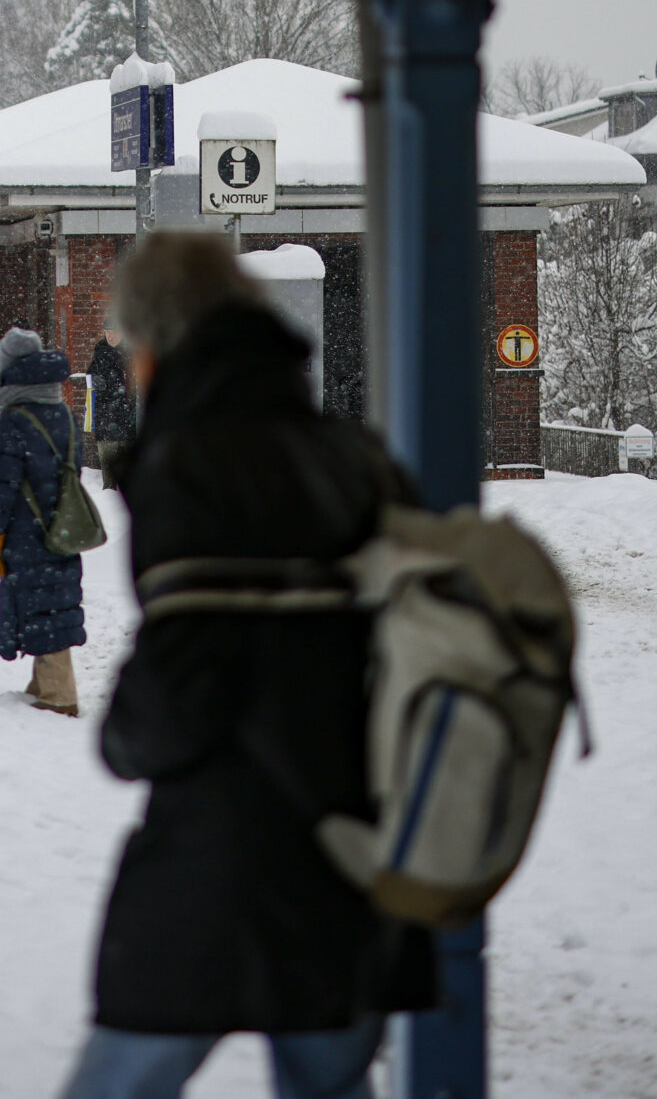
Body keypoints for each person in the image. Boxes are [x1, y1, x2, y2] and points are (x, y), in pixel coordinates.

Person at [58, 230, 434, 1099]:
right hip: (355, 843)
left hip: (226, 848)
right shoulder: (352, 454)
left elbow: (188, 670)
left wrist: (125, 736)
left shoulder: (191, 463)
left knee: (123, 1073)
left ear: (156, 344)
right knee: (331, 1080)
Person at [0, 327, 84, 713]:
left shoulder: (12, 422)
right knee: (51, 602)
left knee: (42, 606)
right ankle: (42, 685)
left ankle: (59, 696)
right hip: (63, 527)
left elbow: (3, 486)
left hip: (25, 530)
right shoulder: (64, 415)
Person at [88, 327, 136, 473]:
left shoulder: (132, 352)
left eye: (114, 331)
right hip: (106, 418)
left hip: (128, 417)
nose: (110, 336)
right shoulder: (100, 351)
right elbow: (89, 376)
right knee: (108, 473)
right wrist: (94, 380)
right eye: (107, 331)